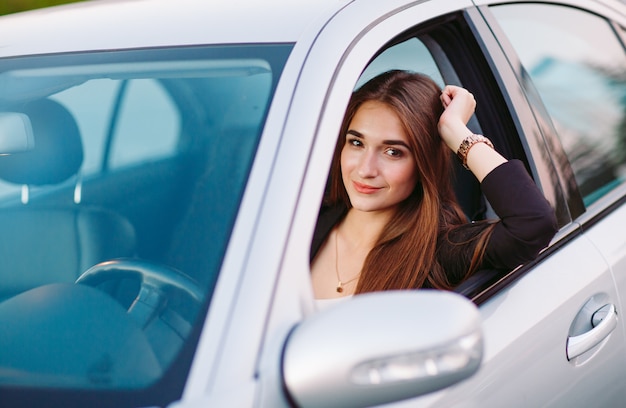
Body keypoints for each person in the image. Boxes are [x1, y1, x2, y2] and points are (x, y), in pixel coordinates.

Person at [310, 70, 558, 299]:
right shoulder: (303, 220)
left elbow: (533, 223)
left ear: (423, 162)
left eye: (393, 152)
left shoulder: (438, 252)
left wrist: (456, 131)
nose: (365, 169)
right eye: (356, 143)